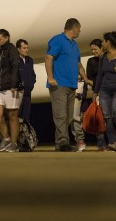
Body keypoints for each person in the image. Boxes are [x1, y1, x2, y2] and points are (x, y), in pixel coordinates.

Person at [45, 18, 90, 152]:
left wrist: (86, 79)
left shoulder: (74, 44)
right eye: (79, 28)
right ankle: (63, 142)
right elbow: (48, 57)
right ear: (74, 28)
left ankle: (61, 143)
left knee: (69, 116)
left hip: (72, 84)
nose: (80, 31)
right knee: (60, 116)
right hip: (59, 84)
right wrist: (50, 77)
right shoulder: (57, 40)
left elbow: (78, 64)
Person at [93, 31, 116, 150]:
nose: (102, 43)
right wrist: (95, 91)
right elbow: (99, 75)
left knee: (115, 114)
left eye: (104, 41)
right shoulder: (103, 57)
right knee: (107, 117)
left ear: (109, 42)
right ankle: (113, 142)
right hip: (104, 90)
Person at [0, 29, 22, 152]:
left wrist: (14, 84)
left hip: (11, 87)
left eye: (0, 39)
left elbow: (15, 67)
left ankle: (14, 144)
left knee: (12, 116)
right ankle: (6, 138)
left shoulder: (12, 50)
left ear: (7, 38)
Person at [84, 39, 103, 150]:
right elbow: (89, 79)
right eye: (91, 49)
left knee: (109, 117)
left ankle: (114, 141)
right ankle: (100, 143)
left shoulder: (106, 59)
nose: (93, 51)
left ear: (101, 48)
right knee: (98, 117)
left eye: (95, 49)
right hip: (98, 91)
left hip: (108, 91)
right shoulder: (91, 61)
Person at [17, 39, 36, 122]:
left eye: (27, 48)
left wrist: (31, 83)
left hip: (28, 93)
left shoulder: (30, 60)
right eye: (24, 48)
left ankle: (26, 134)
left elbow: (32, 74)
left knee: (26, 117)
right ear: (18, 49)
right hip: (18, 93)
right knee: (17, 116)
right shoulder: (14, 61)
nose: (26, 50)